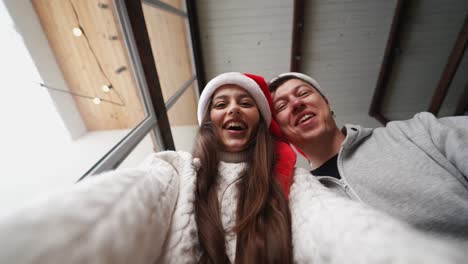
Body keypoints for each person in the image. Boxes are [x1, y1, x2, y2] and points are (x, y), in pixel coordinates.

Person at [0, 72, 466, 264]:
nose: (232, 110)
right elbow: (126, 202)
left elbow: (330, 225)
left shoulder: (293, 181)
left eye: (247, 102)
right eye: (220, 103)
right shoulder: (175, 166)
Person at [269, 72, 468, 240]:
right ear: (281, 131)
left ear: (327, 103)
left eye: (303, 93)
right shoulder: (301, 203)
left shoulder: (419, 131)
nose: (296, 103)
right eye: (281, 106)